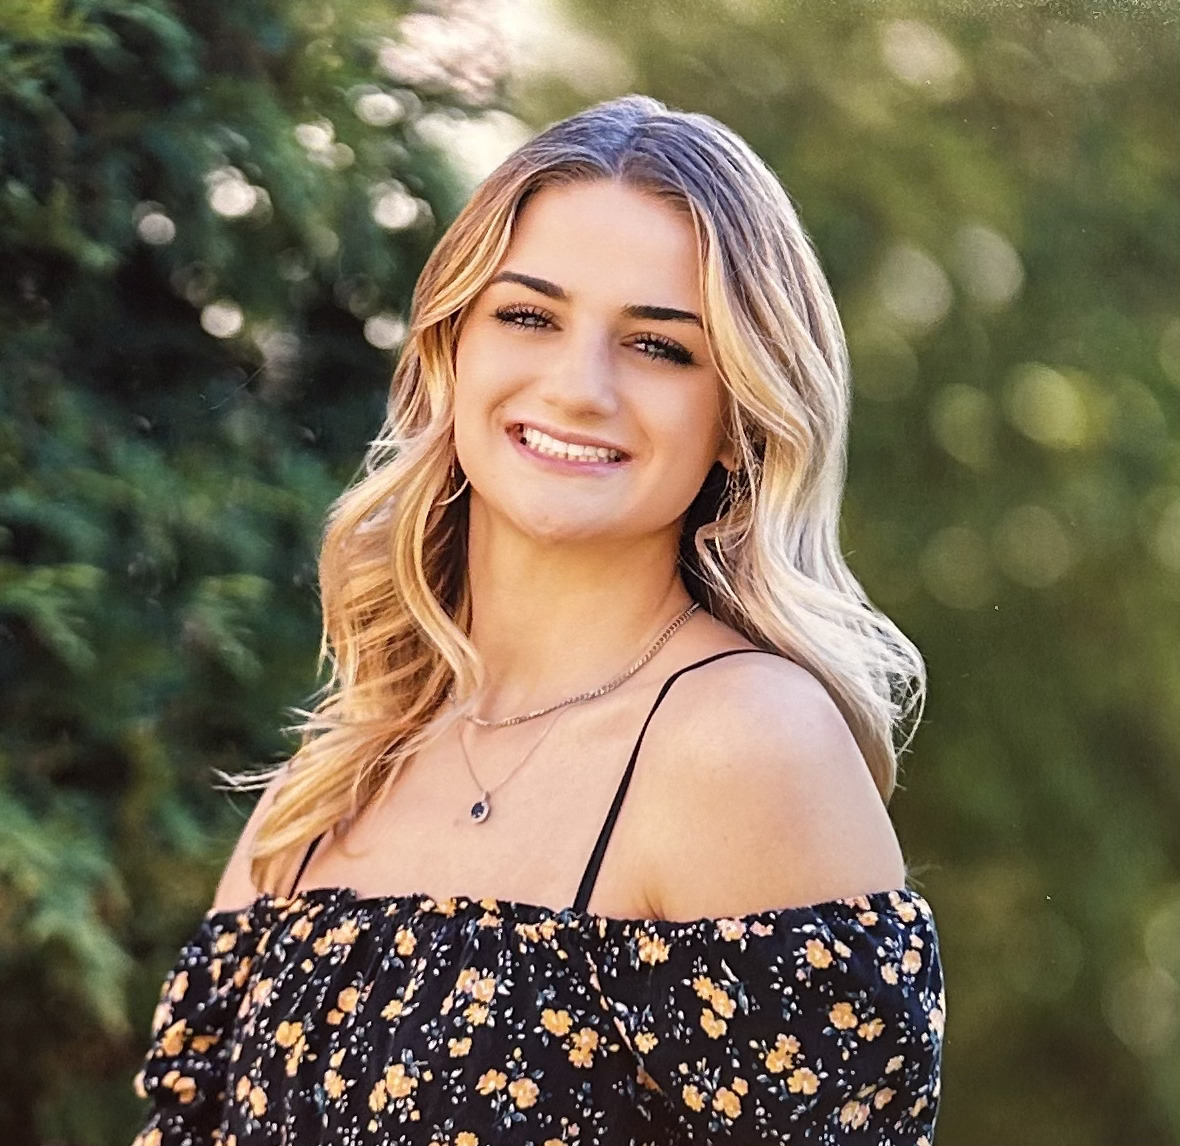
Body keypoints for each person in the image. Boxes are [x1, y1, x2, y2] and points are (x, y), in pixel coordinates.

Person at [131, 94, 944, 1146]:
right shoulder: (334, 779)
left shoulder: (744, 745)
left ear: (741, 419)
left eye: (658, 346)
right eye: (528, 316)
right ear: (450, 350)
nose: (578, 387)